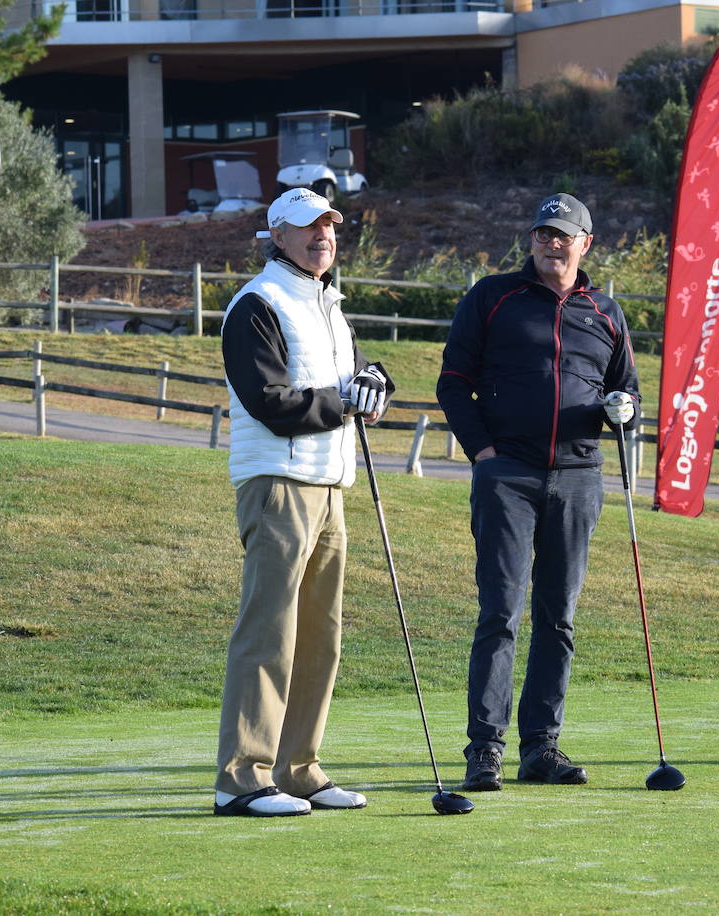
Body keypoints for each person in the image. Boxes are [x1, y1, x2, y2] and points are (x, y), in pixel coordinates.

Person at [437, 192, 640, 791]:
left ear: (585, 245)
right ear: (531, 241)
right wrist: (484, 453)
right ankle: (485, 748)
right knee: (501, 612)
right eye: (543, 233)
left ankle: (540, 748)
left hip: (579, 477)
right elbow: (453, 382)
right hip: (509, 475)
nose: (552, 242)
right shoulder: (492, 297)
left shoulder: (606, 312)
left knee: (560, 616)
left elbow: (626, 395)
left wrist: (624, 414)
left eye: (564, 234)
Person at [213, 187, 394, 816]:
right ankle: (241, 777)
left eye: (329, 227)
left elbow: (361, 374)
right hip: (277, 484)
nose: (323, 236)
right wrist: (345, 401)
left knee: (322, 636)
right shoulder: (257, 304)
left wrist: (373, 384)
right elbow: (270, 400)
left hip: (329, 484)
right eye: (307, 227)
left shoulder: (327, 306)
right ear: (277, 235)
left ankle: (297, 768)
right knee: (270, 632)